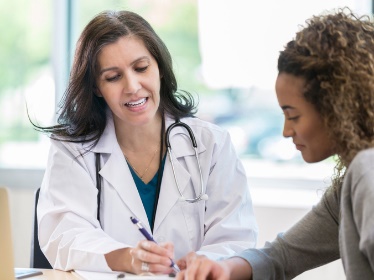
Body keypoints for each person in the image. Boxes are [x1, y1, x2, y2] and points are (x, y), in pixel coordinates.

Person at [34, 10, 258, 275]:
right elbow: (63, 236)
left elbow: (236, 239)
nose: (132, 86)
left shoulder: (211, 144)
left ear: (160, 68)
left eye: (141, 68)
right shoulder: (73, 150)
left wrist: (201, 266)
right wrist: (127, 258)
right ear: (96, 87)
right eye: (113, 77)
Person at [177, 8, 374, 280]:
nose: (285, 131)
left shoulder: (368, 169)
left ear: (336, 108)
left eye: (293, 115)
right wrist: (222, 268)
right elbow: (281, 256)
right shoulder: (349, 187)